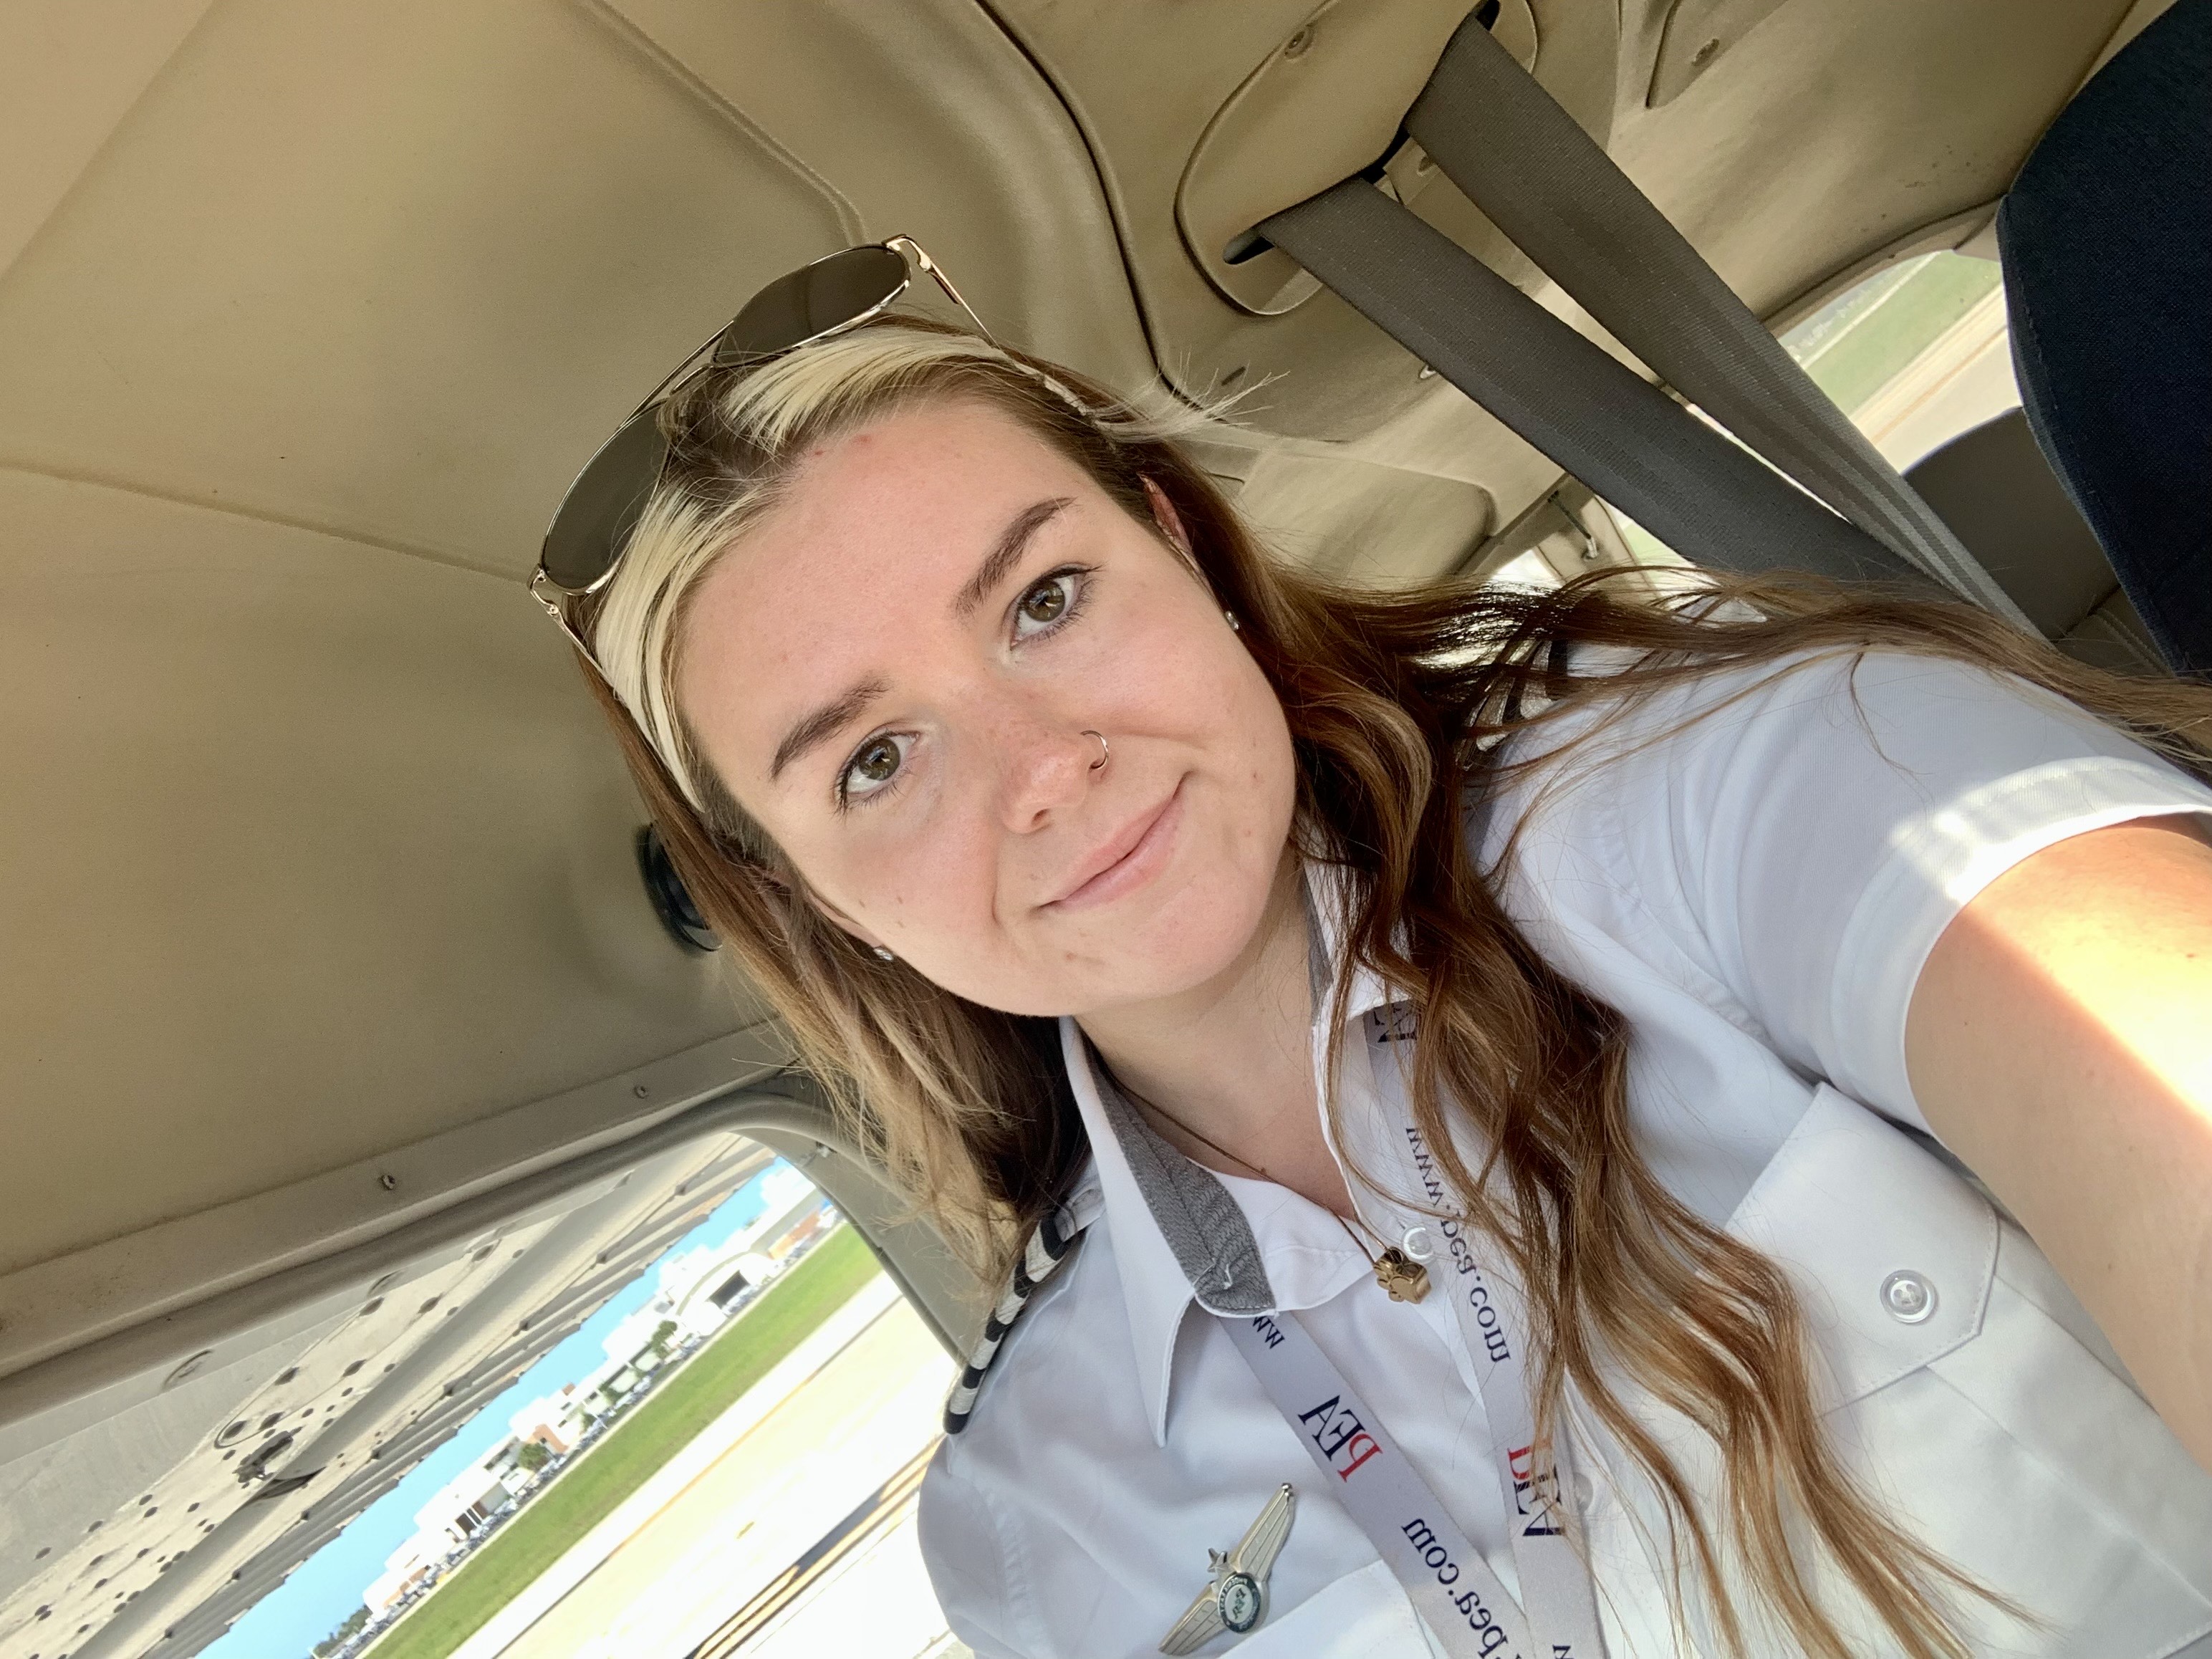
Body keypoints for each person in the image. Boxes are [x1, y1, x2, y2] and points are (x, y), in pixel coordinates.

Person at [535, 245, 2212, 1658]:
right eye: (875, 761)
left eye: (1044, 601)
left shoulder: (1740, 780)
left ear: (1178, 552)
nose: (1043, 772)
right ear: (815, 901)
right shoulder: (1034, 1520)